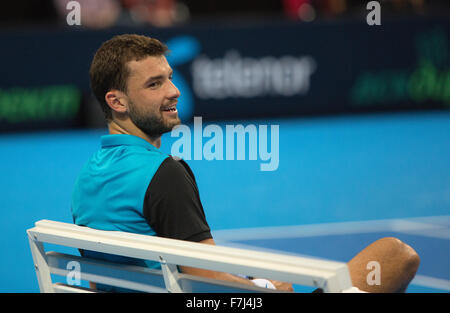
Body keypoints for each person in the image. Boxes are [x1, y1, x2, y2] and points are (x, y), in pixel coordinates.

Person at [71, 34, 420, 293]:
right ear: (116, 101)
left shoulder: (87, 178)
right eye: (154, 83)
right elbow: (204, 286)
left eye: (170, 77)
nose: (174, 91)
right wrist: (264, 291)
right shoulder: (163, 174)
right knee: (394, 255)